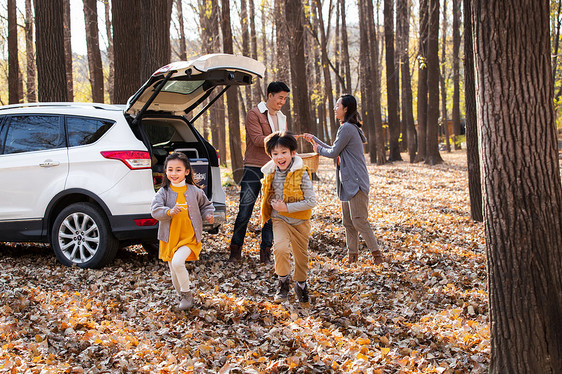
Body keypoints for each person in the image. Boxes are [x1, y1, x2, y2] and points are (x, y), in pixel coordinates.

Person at [303, 94, 384, 264]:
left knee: (359, 221)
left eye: (337, 105)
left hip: (355, 182)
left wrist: (317, 148)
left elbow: (332, 153)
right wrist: (314, 140)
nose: (335, 108)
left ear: (345, 109)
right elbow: (334, 148)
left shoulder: (347, 128)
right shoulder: (346, 128)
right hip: (347, 183)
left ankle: (377, 257)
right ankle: (352, 257)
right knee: (348, 222)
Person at [227, 81, 291, 263]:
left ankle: (265, 252)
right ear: (270, 95)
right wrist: (282, 139)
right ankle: (235, 249)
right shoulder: (254, 114)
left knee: (271, 211)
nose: (282, 102)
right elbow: (256, 140)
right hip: (254, 169)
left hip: (275, 170)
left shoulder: (282, 117)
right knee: (245, 210)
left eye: (285, 99)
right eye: (280, 98)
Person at [151, 152, 215, 310]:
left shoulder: (195, 191)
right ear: (166, 171)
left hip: (189, 236)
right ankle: (182, 296)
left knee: (178, 262)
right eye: (170, 169)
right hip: (170, 237)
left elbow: (206, 205)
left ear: (187, 171)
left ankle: (187, 297)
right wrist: (169, 212)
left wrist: (208, 215)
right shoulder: (163, 192)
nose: (174, 173)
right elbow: (155, 210)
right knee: (173, 270)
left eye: (178, 170)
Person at [261, 131, 316, 304]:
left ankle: (300, 284)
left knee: (301, 257)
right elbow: (267, 194)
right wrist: (273, 207)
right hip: (280, 219)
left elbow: (311, 201)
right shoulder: (270, 173)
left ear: (293, 153)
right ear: (270, 156)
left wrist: (287, 207)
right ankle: (282, 282)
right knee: (280, 248)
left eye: (284, 152)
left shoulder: (302, 173)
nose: (280, 157)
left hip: (300, 221)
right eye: (275, 154)